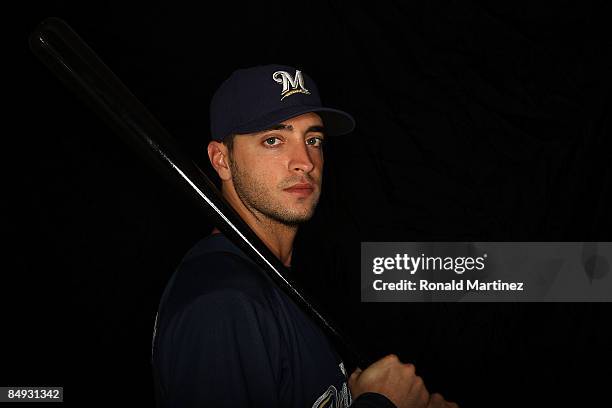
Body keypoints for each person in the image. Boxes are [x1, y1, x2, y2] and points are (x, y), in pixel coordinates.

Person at [151, 64, 458, 408]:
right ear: (221, 160)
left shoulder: (274, 282)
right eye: (273, 140)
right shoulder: (222, 302)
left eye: (313, 140)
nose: (305, 162)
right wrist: (381, 403)